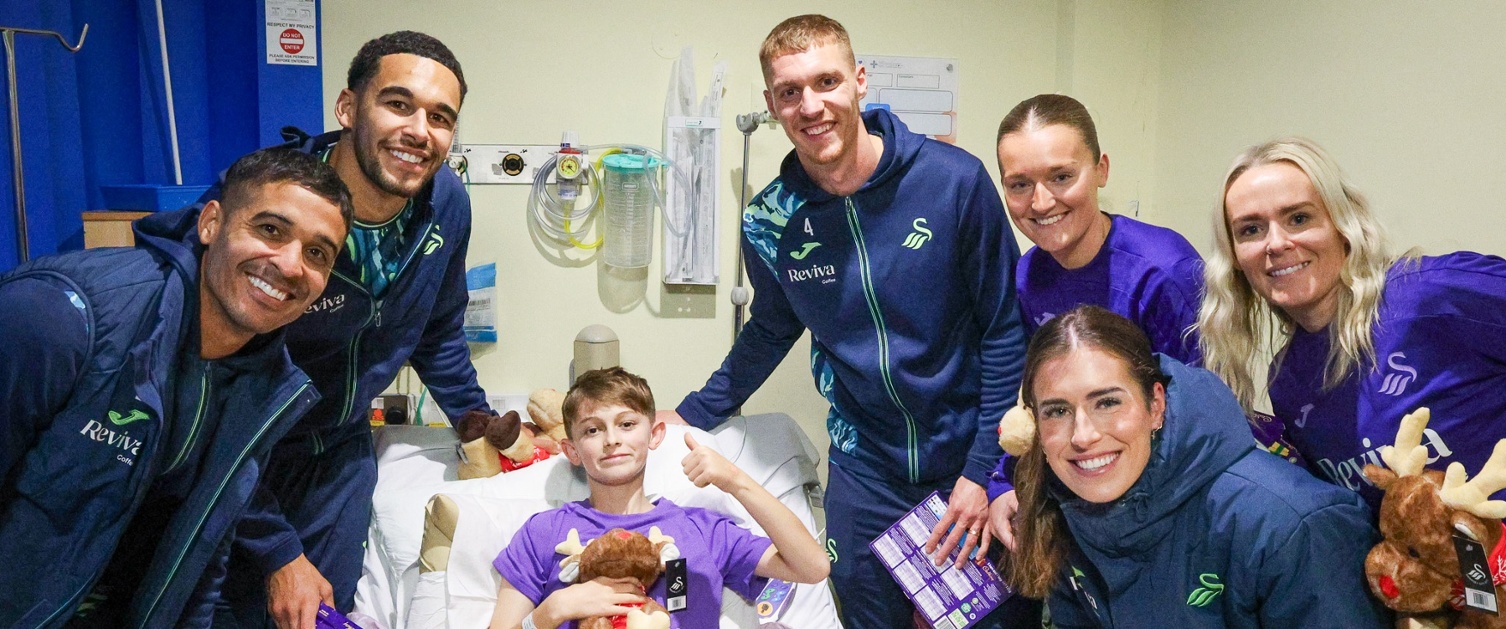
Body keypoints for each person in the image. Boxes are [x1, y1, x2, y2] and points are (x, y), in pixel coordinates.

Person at [658, 14, 1038, 628]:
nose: (811, 105)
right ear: (772, 105)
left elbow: (1002, 332)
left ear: (859, 81)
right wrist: (693, 411)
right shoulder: (770, 220)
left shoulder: (953, 181)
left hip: (970, 452)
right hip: (867, 468)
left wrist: (981, 472)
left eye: (827, 81)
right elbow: (770, 328)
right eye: (790, 92)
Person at [148, 30, 489, 627]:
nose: (419, 130)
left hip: (336, 453)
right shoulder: (277, 205)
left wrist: (479, 425)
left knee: (323, 610)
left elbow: (437, 332)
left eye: (440, 117)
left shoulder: (446, 205)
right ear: (349, 108)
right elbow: (199, 382)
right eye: (399, 103)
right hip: (232, 449)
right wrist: (280, 552)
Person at [0, 149, 351, 628]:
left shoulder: (266, 387)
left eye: (317, 253)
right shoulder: (61, 318)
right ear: (210, 224)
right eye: (270, 230)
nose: (291, 265)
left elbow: (204, 555)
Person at [1001, 305, 1387, 627]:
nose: (1082, 436)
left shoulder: (1290, 527)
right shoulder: (1059, 505)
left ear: (1156, 405)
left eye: (1107, 403)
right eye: (1057, 411)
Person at [1198, 136, 1506, 511]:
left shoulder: (1435, 294)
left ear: (1343, 224)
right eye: (1250, 230)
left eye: (1299, 218)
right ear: (1234, 258)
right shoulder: (1288, 383)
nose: (1275, 244)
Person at [988, 94, 1205, 547]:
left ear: (1101, 169)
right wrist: (1005, 480)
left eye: (1062, 176)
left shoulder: (1164, 271)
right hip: (1083, 489)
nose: (1041, 201)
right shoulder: (1029, 275)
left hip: (1170, 503)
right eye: (1019, 184)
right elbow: (1037, 397)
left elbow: (1204, 414)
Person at [488, 367, 829, 629]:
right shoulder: (544, 532)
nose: (611, 440)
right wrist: (550, 612)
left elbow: (813, 567)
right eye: (592, 430)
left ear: (654, 435)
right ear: (571, 450)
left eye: (626, 424)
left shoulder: (702, 530)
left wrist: (736, 481)